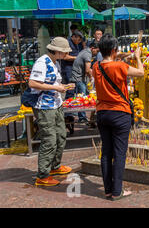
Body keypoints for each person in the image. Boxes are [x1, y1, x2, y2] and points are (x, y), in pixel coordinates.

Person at [92, 34, 144, 200]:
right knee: (119, 153)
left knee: (106, 152)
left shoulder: (96, 67)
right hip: (119, 113)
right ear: (114, 50)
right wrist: (137, 57)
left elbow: (110, 60)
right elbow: (141, 73)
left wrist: (122, 55)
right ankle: (117, 191)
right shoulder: (120, 66)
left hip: (102, 113)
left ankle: (108, 189)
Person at [28, 37, 75, 186]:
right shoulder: (42, 62)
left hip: (56, 104)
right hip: (44, 107)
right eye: (64, 52)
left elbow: (54, 82)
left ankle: (54, 166)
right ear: (57, 51)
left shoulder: (55, 63)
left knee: (61, 136)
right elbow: (33, 83)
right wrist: (57, 88)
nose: (66, 55)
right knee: (49, 140)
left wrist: (65, 86)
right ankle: (42, 175)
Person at [70, 41, 100, 126]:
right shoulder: (87, 54)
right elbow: (87, 70)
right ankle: (82, 118)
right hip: (78, 78)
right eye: (96, 51)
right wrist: (92, 77)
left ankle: (82, 117)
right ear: (92, 48)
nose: (97, 53)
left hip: (78, 77)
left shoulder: (85, 51)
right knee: (82, 97)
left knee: (82, 97)